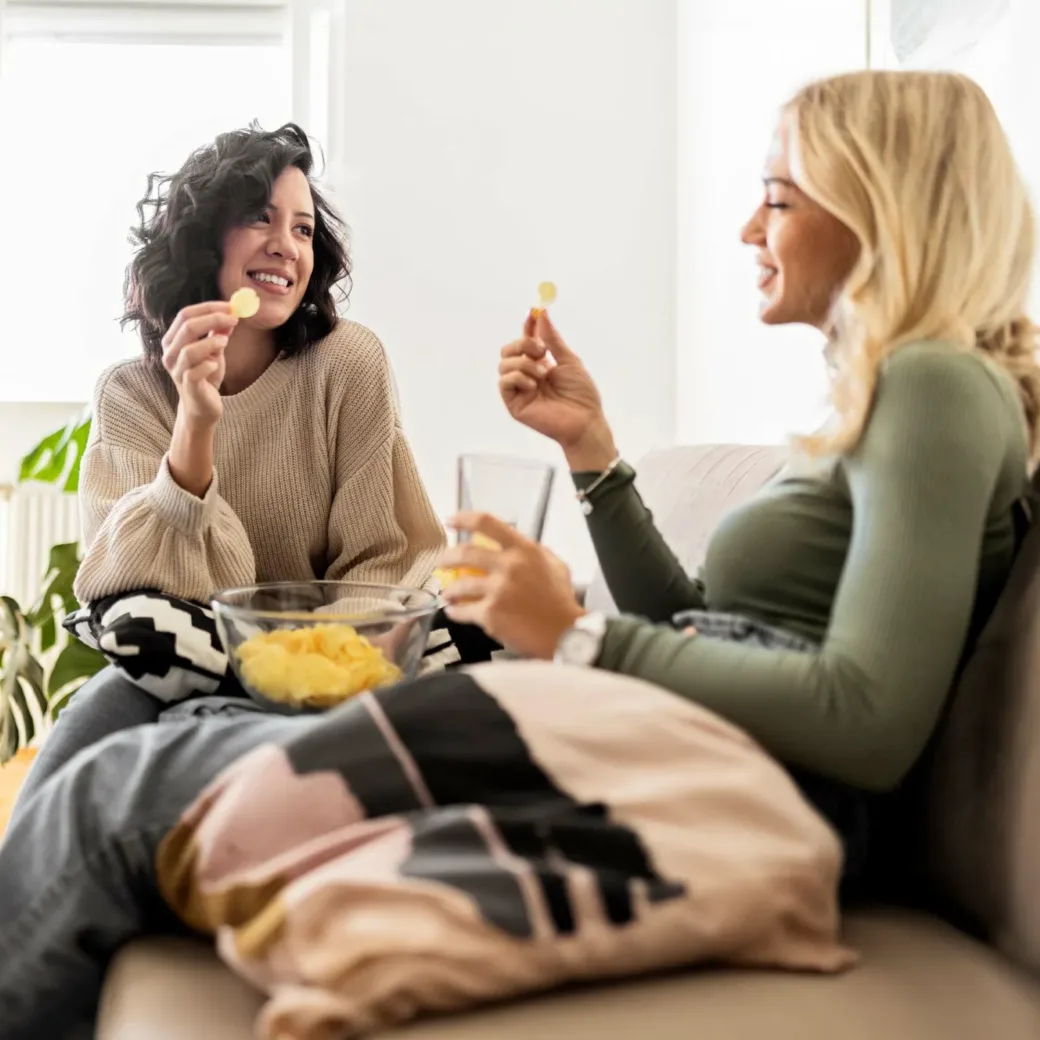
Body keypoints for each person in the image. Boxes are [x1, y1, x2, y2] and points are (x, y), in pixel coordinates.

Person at [0, 70, 1036, 1039]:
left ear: (880, 203)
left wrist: (578, 635)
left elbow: (866, 720)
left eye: (776, 197)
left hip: (684, 760)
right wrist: (590, 451)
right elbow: (701, 613)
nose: (745, 227)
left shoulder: (933, 388)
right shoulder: (897, 396)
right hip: (659, 730)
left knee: (109, 800)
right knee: (96, 742)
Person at [12, 123, 445, 812]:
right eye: (258, 218)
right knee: (98, 715)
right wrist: (195, 425)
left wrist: (300, 678)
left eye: (304, 230)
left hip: (332, 668)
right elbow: (129, 583)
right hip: (189, 666)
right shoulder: (130, 393)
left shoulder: (349, 363)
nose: (286, 245)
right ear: (202, 239)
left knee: (195, 737)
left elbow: (382, 559)